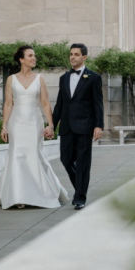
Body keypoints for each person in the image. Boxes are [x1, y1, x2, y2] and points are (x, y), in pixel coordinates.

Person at [0, 46, 69, 210]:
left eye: (34, 56)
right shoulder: (11, 79)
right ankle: (18, 196)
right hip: (16, 122)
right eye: (30, 55)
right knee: (17, 155)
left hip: (34, 121)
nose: (34, 58)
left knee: (33, 154)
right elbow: (8, 103)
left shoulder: (39, 79)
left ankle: (40, 193)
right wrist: (4, 126)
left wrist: (51, 125)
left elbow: (45, 103)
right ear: (21, 59)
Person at [52, 44, 104, 211]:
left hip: (85, 126)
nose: (72, 57)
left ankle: (80, 197)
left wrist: (98, 125)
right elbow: (60, 104)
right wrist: (52, 125)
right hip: (67, 126)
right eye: (71, 54)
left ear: (84, 57)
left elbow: (98, 104)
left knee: (83, 163)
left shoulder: (94, 78)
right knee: (65, 159)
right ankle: (80, 188)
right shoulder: (64, 78)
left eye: (76, 54)